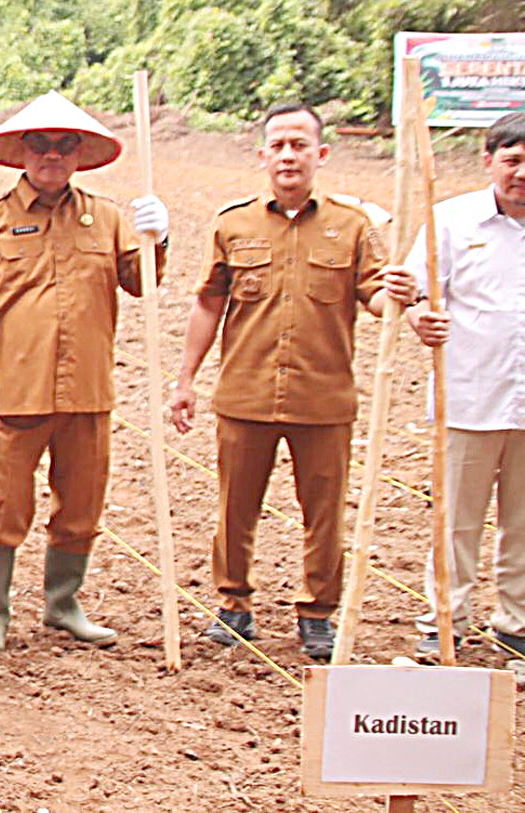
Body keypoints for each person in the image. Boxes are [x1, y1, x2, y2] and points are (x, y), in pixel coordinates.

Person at [167, 102, 417, 659]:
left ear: (320, 154)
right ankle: (232, 605)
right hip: (245, 395)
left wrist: (394, 295)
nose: (288, 155)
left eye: (299, 145)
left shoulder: (353, 227)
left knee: (323, 513)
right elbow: (210, 304)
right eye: (278, 145)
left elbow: (374, 297)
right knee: (235, 507)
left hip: (323, 399)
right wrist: (184, 379)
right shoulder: (233, 224)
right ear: (262, 155)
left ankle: (317, 613)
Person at [0, 90, 170, 651]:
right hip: (15, 393)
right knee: (2, 507)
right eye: (41, 145)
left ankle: (62, 603)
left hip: (88, 392)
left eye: (64, 146)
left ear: (78, 154)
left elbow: (141, 284)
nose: (52, 156)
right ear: (24, 151)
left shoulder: (107, 219)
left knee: (82, 505)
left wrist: (156, 240)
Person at [403, 111, 525, 658]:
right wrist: (420, 318)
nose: (522, 173)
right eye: (513, 161)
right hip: (468, 396)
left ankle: (516, 625)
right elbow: (413, 293)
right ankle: (444, 623)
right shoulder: (451, 222)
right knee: (456, 522)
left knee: (523, 526)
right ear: (489, 162)